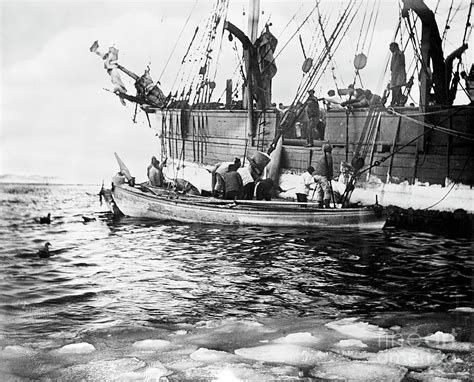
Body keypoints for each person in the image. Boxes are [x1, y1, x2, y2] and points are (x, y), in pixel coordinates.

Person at [312, 143, 334, 208]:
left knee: (320, 190)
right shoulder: (329, 156)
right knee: (327, 190)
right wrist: (330, 175)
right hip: (322, 175)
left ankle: (320, 204)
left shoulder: (322, 156)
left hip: (316, 175)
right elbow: (329, 166)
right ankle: (327, 205)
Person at [389, 42, 406, 106]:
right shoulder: (398, 54)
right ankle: (397, 102)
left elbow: (396, 66)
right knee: (396, 89)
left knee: (396, 88)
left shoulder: (397, 54)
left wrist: (394, 77)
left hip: (397, 75)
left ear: (394, 47)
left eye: (391, 47)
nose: (390, 49)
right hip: (397, 75)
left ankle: (395, 102)